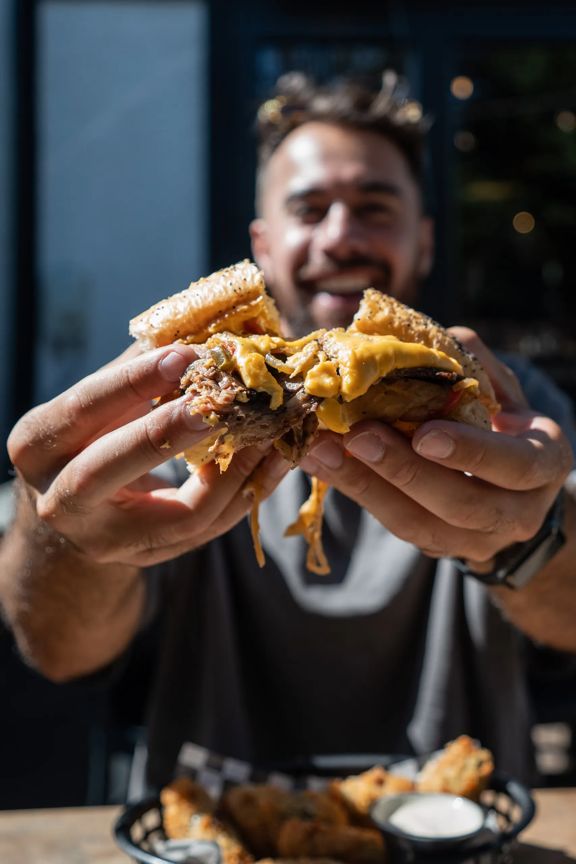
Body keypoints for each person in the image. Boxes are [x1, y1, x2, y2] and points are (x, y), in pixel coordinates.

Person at [1, 71, 575, 796]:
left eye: (375, 206)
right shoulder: (177, 413)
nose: (341, 236)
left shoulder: (504, 411)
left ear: (424, 242)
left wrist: (532, 534)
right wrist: (60, 529)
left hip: (459, 825)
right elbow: (59, 652)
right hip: (212, 828)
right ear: (262, 247)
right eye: (310, 209)